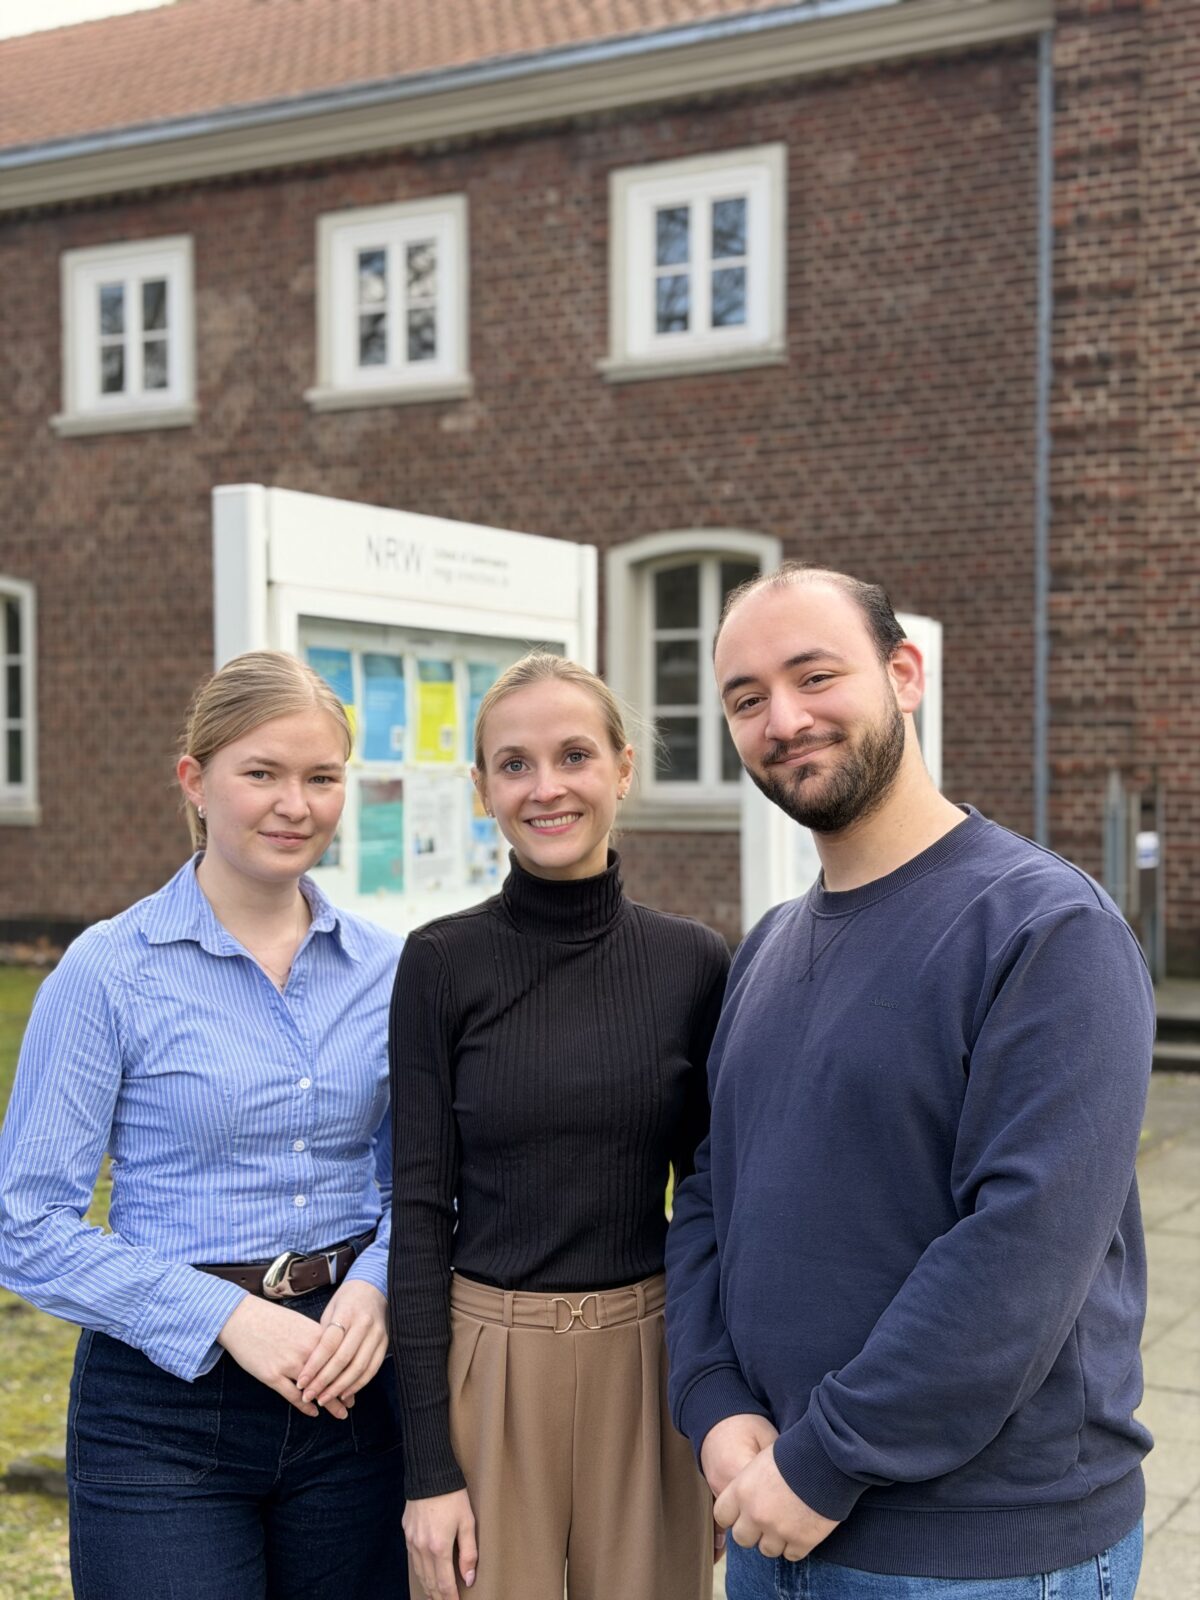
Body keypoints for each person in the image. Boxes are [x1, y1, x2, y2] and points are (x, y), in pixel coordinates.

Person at [665, 564, 1154, 1600]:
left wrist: (825, 1456)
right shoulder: (768, 945)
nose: (783, 719)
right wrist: (711, 1396)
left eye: (814, 676)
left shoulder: (1044, 928)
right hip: (771, 1513)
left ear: (903, 672)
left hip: (975, 1550)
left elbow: (1020, 1248)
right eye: (746, 698)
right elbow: (711, 1186)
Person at [0, 650, 409, 1600]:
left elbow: (422, 1183)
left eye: (320, 778)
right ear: (196, 781)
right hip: (160, 1410)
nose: (293, 804)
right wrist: (228, 1318)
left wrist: (378, 1287)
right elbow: (26, 1226)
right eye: (261, 773)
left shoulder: (392, 971)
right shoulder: (109, 971)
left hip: (350, 1389)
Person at [388, 652, 729, 1600]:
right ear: (482, 789)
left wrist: (720, 1412)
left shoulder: (692, 963)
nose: (547, 788)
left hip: (650, 1365)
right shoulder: (441, 965)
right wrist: (428, 1472)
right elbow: (417, 1211)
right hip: (487, 1368)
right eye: (515, 764)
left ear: (622, 770)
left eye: (574, 756)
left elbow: (710, 1203)